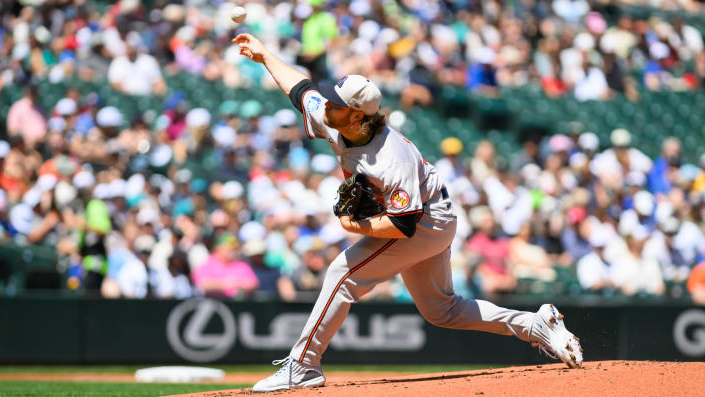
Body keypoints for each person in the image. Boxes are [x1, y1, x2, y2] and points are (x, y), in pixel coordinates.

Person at [233, 33, 584, 392]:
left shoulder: (389, 158)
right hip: (432, 215)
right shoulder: (336, 119)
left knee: (343, 273)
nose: (326, 107)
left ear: (356, 115)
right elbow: (301, 90)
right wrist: (265, 56)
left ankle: (303, 365)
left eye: (336, 104)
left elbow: (403, 225)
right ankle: (537, 325)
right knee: (442, 311)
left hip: (425, 222)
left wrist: (352, 222)